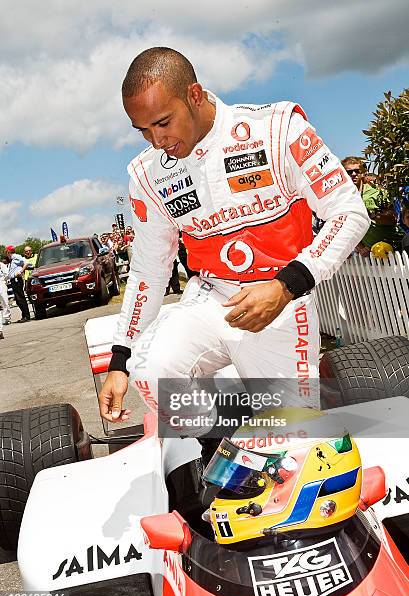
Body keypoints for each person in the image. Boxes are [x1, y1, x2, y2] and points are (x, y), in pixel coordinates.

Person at [98, 47, 369, 427]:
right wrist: (120, 359)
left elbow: (350, 212)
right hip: (211, 300)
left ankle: (277, 423)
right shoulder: (148, 175)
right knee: (151, 372)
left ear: (194, 95)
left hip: (281, 305)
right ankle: (224, 436)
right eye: (143, 130)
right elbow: (148, 270)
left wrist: (287, 285)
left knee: (296, 439)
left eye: (163, 122)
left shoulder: (277, 130)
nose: (156, 141)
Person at [342, 157, 403, 255]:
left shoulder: (376, 190)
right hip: (370, 254)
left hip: (394, 246)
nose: (353, 174)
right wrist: (360, 247)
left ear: (363, 173)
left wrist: (373, 215)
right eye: (349, 172)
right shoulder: (342, 199)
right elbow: (347, 228)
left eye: (357, 171)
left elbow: (393, 218)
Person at [4, 246, 31, 322]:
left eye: (6, 252)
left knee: (20, 298)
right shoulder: (11, 260)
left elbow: (26, 263)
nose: (6, 254)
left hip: (17, 280)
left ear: (9, 252)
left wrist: (21, 271)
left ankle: (27, 316)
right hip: (13, 280)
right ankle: (24, 315)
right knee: (18, 299)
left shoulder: (15, 256)